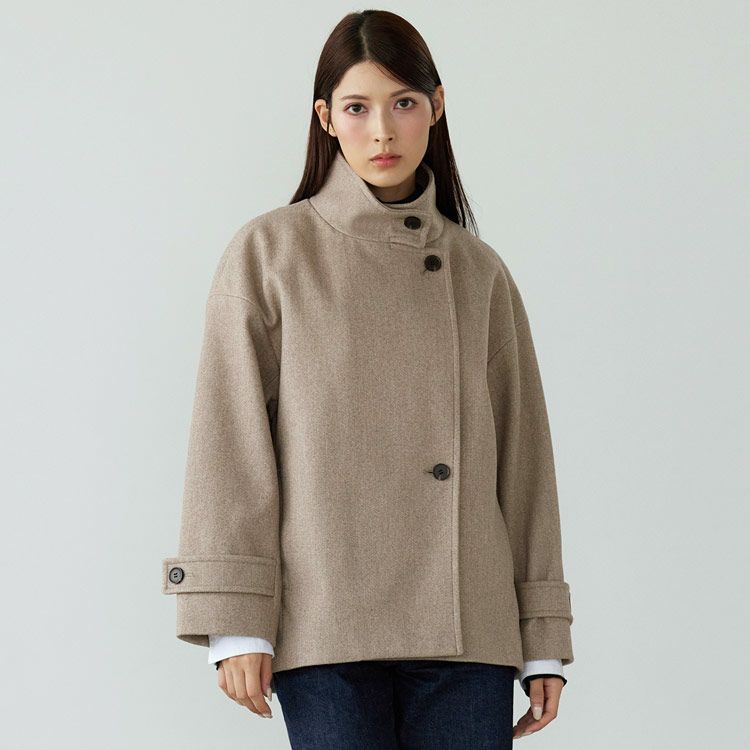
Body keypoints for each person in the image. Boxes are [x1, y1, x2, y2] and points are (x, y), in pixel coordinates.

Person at [162, 9, 574, 748]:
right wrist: (235, 620)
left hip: (468, 623)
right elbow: (230, 442)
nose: (382, 131)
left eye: (403, 103)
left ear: (436, 107)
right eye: (357, 108)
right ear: (326, 118)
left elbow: (525, 461)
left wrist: (542, 635)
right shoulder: (270, 252)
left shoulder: (478, 271)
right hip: (323, 619)